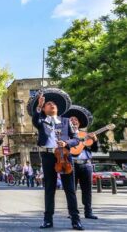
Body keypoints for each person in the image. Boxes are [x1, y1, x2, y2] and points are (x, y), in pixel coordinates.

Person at [30, 88, 83, 230]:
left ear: (57, 108)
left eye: (54, 104)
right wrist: (39, 105)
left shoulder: (66, 121)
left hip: (65, 156)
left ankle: (75, 220)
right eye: (48, 104)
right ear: (44, 108)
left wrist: (67, 143)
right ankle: (48, 220)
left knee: (69, 189)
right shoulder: (41, 120)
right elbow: (35, 118)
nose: (51, 105)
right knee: (49, 188)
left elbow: (76, 139)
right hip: (48, 156)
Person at [65, 105, 98, 220]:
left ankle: (88, 212)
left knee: (87, 190)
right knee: (71, 189)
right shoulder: (66, 135)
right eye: (71, 119)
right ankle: (72, 212)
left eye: (76, 120)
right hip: (71, 163)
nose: (73, 121)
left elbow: (94, 149)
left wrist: (95, 141)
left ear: (79, 123)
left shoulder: (85, 135)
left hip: (86, 164)